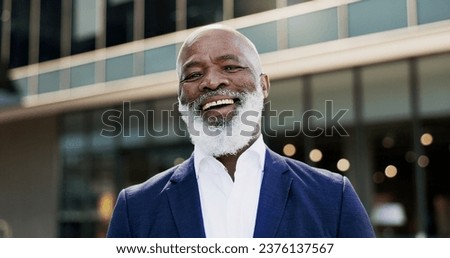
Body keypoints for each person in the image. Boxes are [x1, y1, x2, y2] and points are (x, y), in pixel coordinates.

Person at [106, 24, 375, 238]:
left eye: (230, 67)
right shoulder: (136, 208)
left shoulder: (332, 196)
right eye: (193, 75)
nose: (211, 82)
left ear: (264, 85)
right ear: (179, 98)